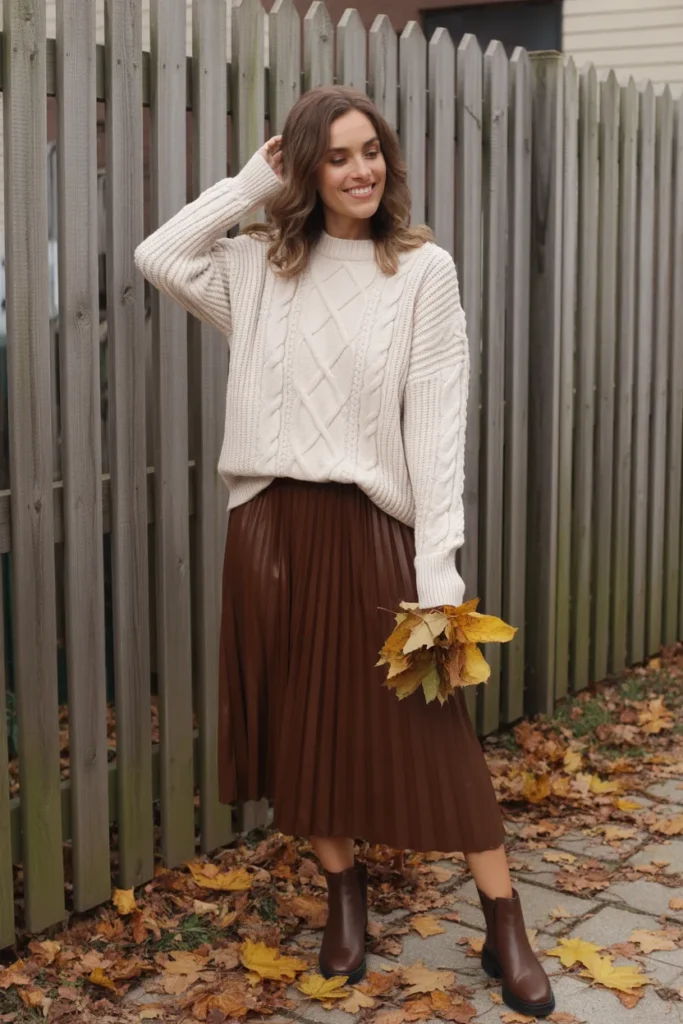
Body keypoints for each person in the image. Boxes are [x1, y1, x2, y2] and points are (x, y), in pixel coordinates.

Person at [134, 86, 555, 1018]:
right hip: (268, 525)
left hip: (372, 528)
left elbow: (437, 430)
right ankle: (344, 895)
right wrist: (249, 184)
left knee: (433, 733)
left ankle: (503, 920)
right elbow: (158, 255)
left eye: (370, 151)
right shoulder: (259, 268)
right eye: (336, 156)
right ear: (306, 170)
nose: (360, 170)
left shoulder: (423, 273)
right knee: (299, 725)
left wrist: (437, 570)